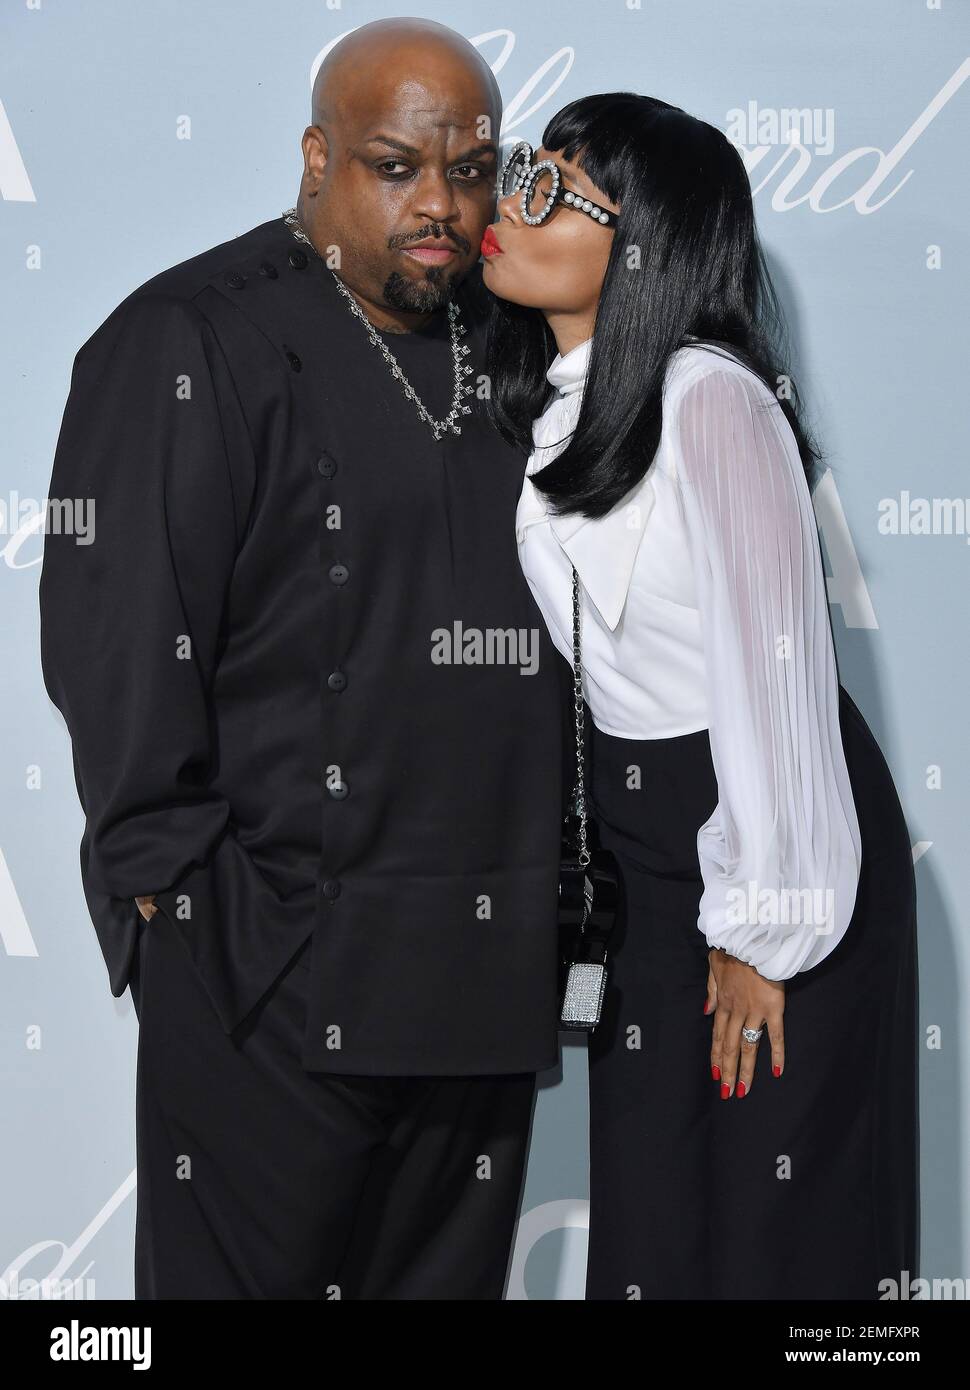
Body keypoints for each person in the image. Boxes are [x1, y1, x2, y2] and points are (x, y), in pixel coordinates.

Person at [38, 18, 567, 1300]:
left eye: (472, 167)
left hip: (482, 976)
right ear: (316, 157)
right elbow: (114, 649)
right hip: (270, 972)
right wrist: (199, 917)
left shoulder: (518, 344)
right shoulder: (186, 338)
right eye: (396, 167)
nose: (440, 205)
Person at [481, 92, 920, 1300]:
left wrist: (760, 924)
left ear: (647, 242)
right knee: (656, 1211)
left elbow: (773, 669)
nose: (513, 206)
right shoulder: (557, 400)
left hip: (765, 834)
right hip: (646, 848)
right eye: (526, 171)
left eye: (556, 190)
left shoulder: (711, 399)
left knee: (773, 1226)